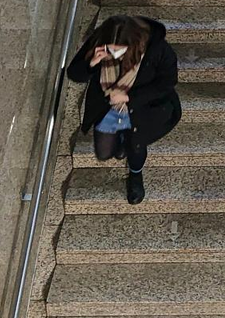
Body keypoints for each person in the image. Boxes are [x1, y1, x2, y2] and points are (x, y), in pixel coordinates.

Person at [67, 16, 180, 204]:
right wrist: (91, 64)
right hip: (108, 108)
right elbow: (74, 73)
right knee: (104, 152)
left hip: (142, 110)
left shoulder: (157, 50)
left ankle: (136, 176)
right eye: (111, 47)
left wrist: (129, 97)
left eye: (119, 49)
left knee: (135, 147)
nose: (114, 53)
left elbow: (167, 82)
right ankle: (121, 141)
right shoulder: (100, 41)